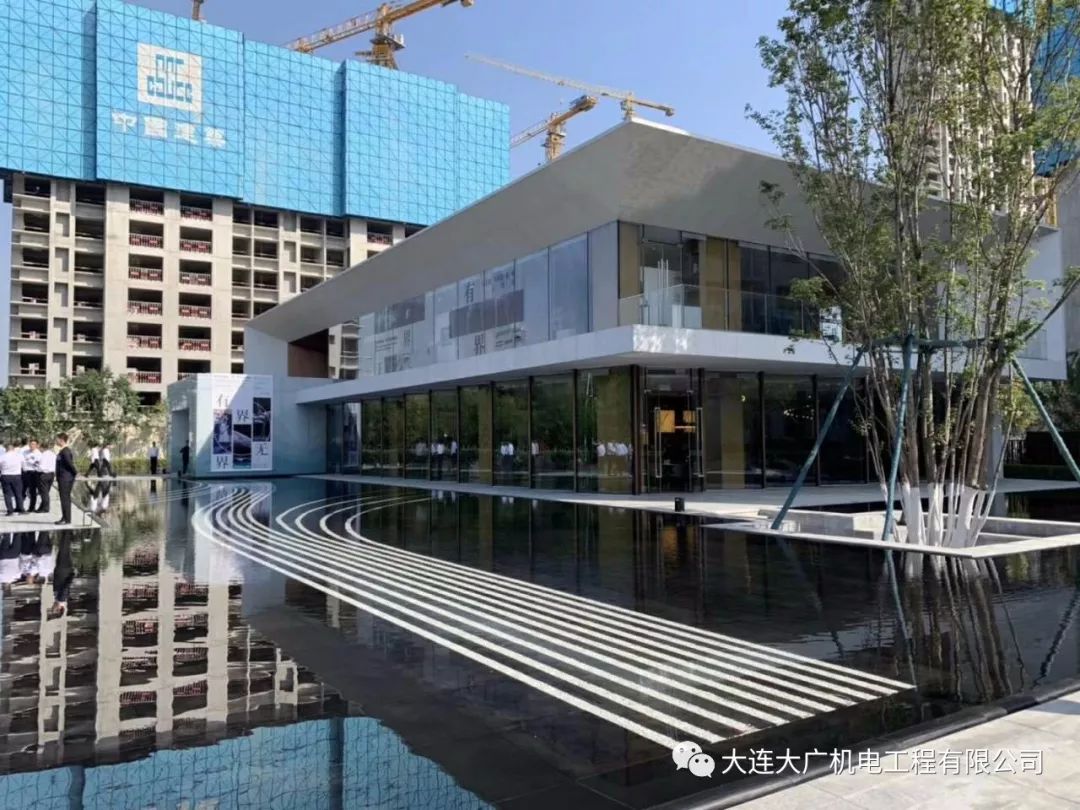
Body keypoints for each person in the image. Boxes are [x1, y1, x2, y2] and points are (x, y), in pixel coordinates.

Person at [47, 535, 74, 619]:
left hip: (61, 570)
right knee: (64, 548)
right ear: (59, 609)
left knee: (64, 549)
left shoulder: (58, 598)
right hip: (63, 570)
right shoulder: (61, 598)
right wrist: (71, 575)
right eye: (54, 610)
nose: (52, 607)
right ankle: (66, 532)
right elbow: (66, 586)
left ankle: (67, 533)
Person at [55, 433, 77, 526]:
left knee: (65, 498)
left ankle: (66, 519)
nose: (56, 441)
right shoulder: (63, 451)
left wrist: (75, 473)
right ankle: (65, 517)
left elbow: (69, 464)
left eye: (57, 439)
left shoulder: (65, 451)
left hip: (65, 478)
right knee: (64, 498)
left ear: (61, 440)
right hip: (63, 478)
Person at [0, 444, 24, 516]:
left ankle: (10, 510)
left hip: (5, 475)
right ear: (13, 449)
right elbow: (23, 465)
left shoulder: (2, 456)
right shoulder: (19, 456)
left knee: (7, 494)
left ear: (6, 449)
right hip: (16, 475)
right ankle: (20, 509)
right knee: (18, 493)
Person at [23, 440, 41, 513]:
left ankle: (32, 507)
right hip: (25, 472)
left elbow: (37, 463)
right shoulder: (25, 452)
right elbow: (23, 461)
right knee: (23, 490)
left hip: (34, 473)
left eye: (33, 444)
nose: (32, 445)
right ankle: (20, 506)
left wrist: (29, 461)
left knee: (32, 491)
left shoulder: (38, 453)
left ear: (36, 445)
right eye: (31, 444)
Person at [37, 442, 55, 514]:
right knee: (46, 491)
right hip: (51, 474)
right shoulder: (53, 454)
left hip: (44, 474)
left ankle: (45, 508)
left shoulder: (43, 455)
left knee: (44, 492)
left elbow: (41, 467)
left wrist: (37, 467)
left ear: (42, 448)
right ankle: (42, 507)